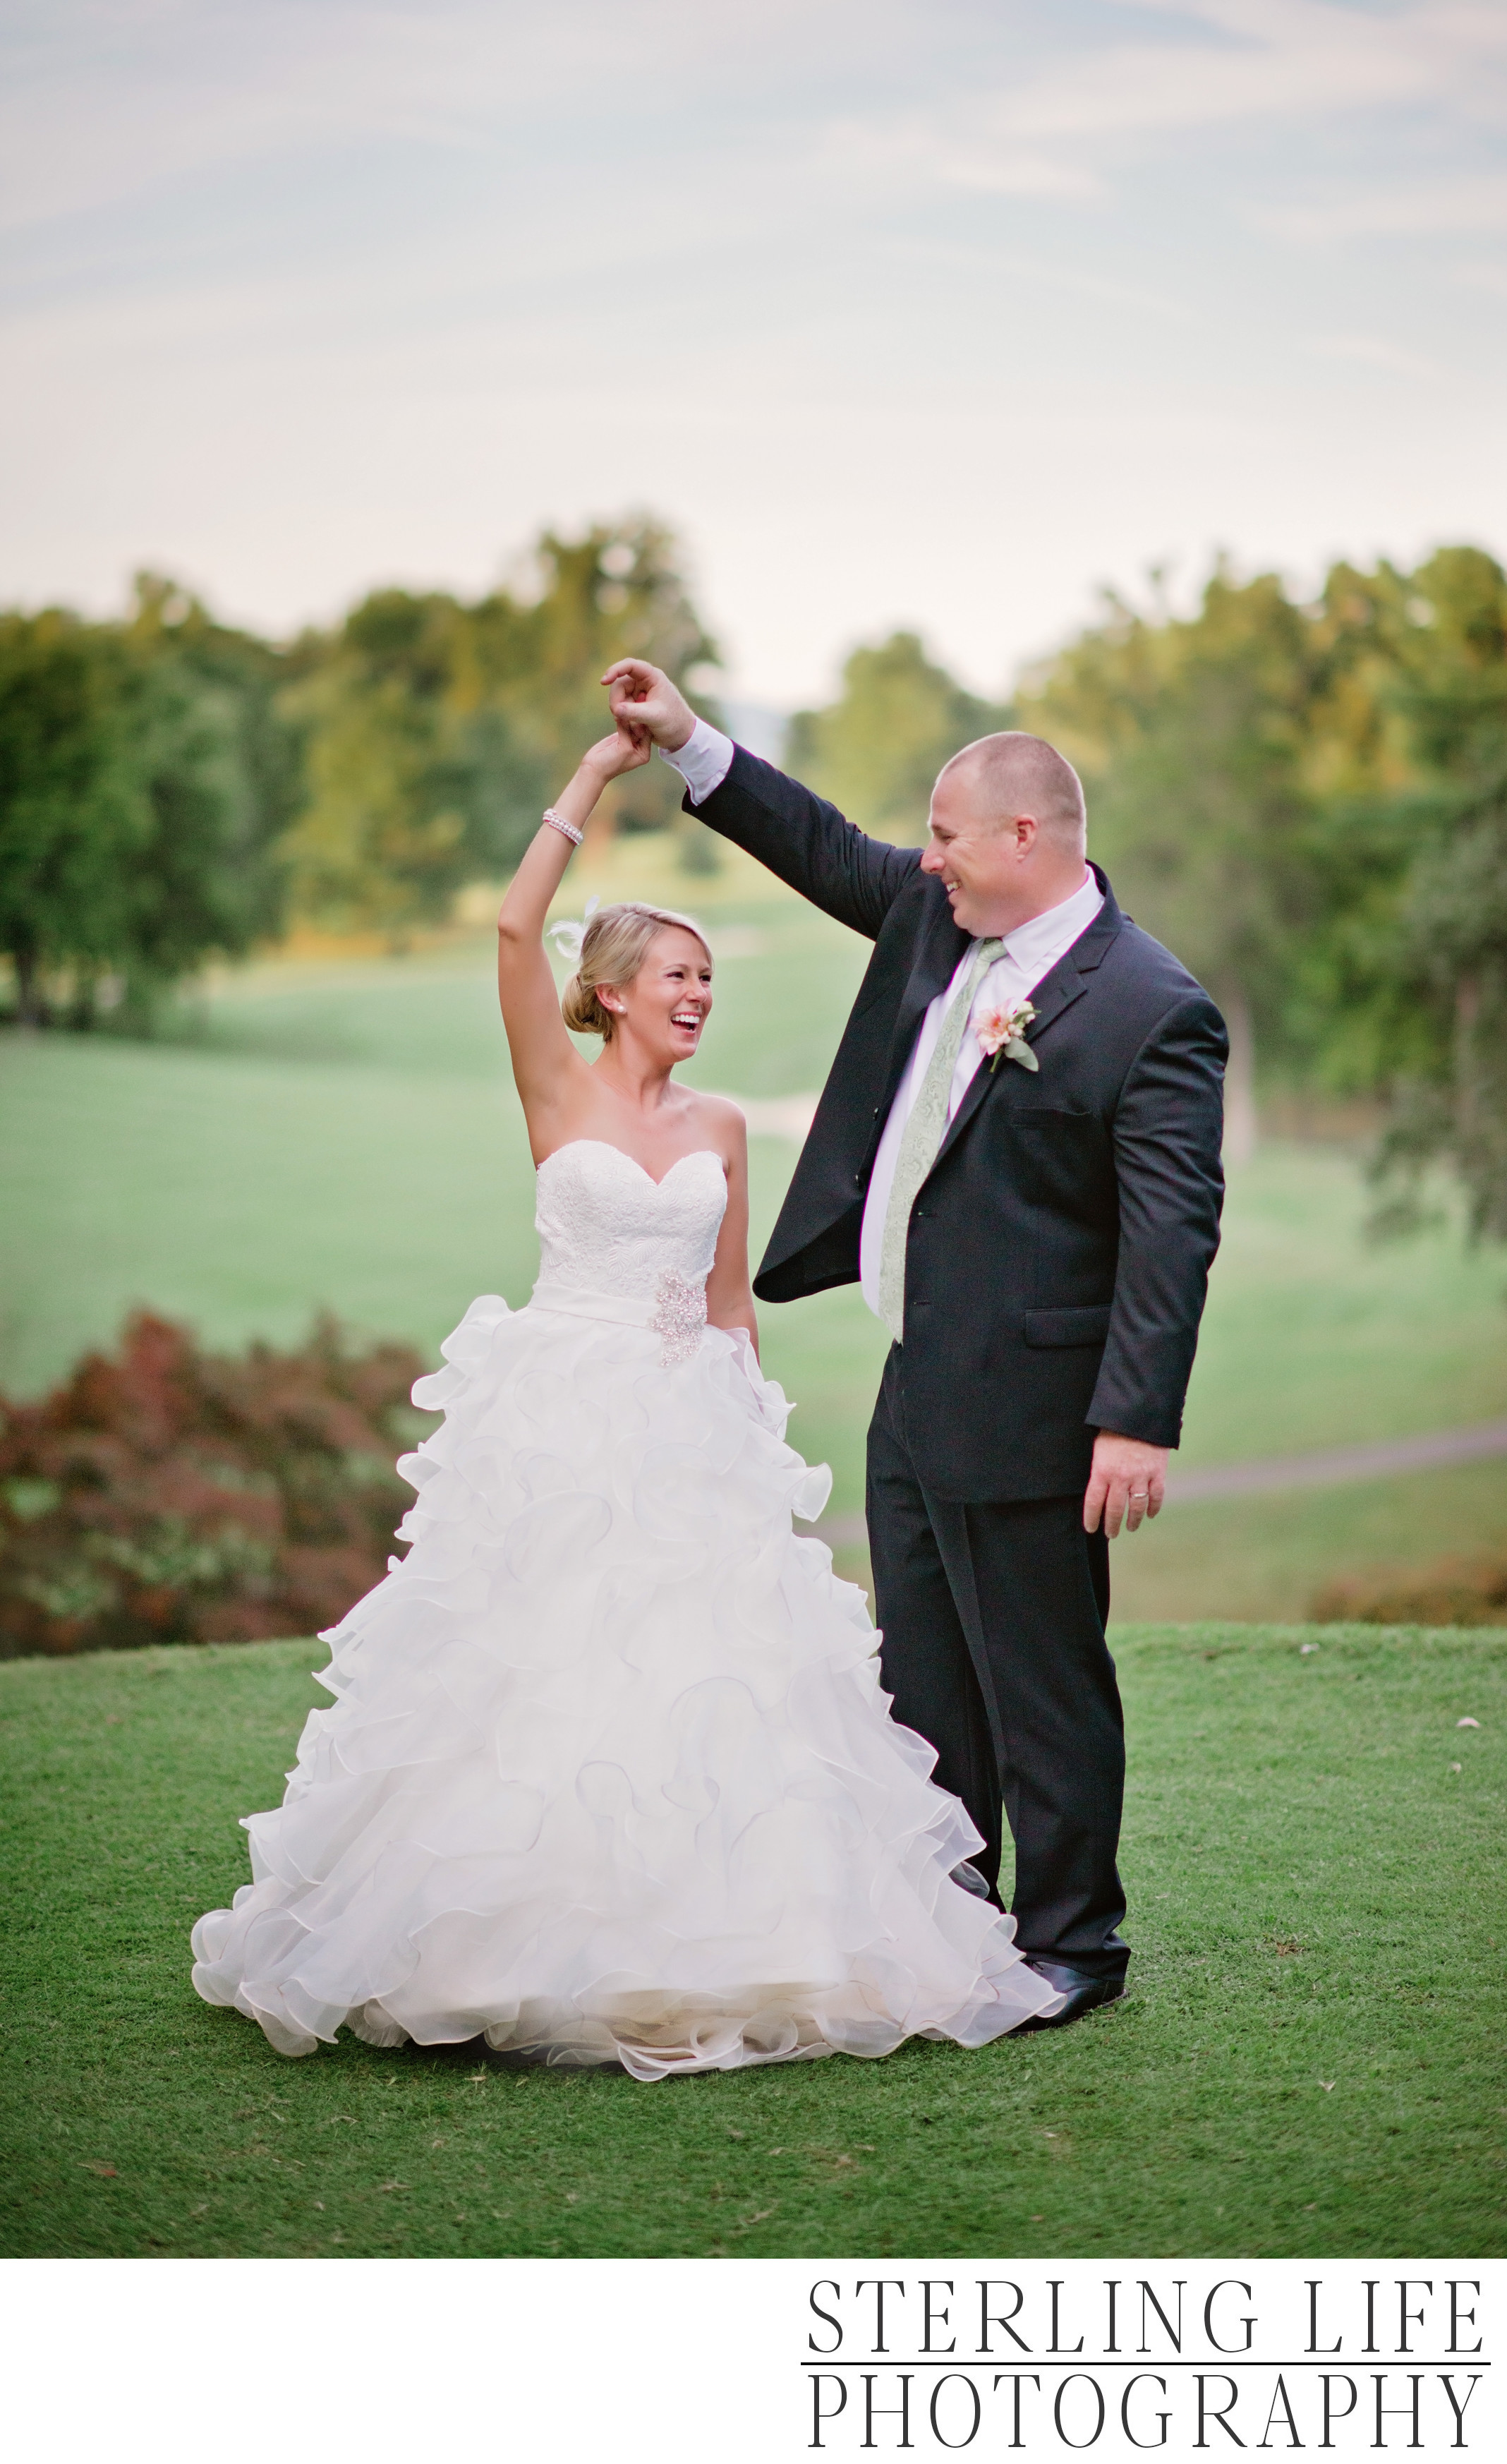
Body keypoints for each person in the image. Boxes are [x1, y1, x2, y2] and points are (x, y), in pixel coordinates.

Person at [190, 709, 1062, 2075]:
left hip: (686, 1427)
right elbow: (506, 932)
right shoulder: (555, 1092)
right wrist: (601, 772)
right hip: (558, 1422)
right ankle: (500, 1946)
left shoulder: (720, 1130)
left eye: (709, 976)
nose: (700, 994)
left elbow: (727, 1308)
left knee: (710, 1685)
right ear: (607, 991)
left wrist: (751, 1451)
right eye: (677, 973)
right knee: (543, 1677)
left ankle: (734, 1939)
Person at [604, 659, 1228, 2031]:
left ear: (1025, 838)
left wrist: (1136, 1416)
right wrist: (689, 743)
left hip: (1045, 1401)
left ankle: (1075, 1944)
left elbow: (1173, 1231)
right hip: (921, 1380)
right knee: (927, 1674)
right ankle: (950, 1915)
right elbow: (827, 850)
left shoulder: (1150, 1008)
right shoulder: (947, 925)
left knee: (1043, 1682)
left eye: (945, 832)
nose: (924, 854)